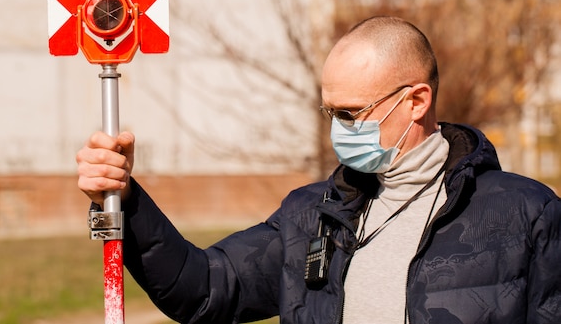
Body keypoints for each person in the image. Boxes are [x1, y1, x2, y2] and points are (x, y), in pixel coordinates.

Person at [76, 16, 561, 324]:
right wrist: (123, 198)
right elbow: (202, 289)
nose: (339, 129)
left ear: (416, 101)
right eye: (331, 113)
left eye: (351, 113)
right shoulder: (312, 214)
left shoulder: (525, 213)